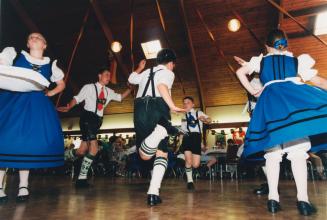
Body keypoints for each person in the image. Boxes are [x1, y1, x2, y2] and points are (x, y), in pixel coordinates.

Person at [235, 29, 327, 216]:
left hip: (270, 106)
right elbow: (320, 82)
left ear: (267, 46)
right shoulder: (296, 61)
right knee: (298, 154)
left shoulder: (260, 61)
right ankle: (303, 201)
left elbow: (240, 72)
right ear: (286, 44)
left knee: (272, 154)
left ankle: (273, 199)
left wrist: (253, 92)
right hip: (293, 105)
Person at [0, 33, 65, 203]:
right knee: (4, 140)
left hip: (37, 105)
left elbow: (61, 84)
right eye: (30, 37)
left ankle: (23, 185)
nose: (34, 37)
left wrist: (50, 93)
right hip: (13, 101)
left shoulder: (51, 65)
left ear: (44, 45)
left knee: (28, 143)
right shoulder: (15, 55)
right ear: (28, 43)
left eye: (38, 37)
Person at [128, 49, 185, 206]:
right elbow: (161, 86)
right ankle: (153, 192)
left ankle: (153, 194)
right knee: (160, 153)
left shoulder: (146, 71)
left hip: (139, 109)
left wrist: (139, 67)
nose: (173, 67)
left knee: (147, 154)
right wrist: (172, 106)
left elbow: (131, 78)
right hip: (157, 108)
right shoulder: (168, 72)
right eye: (173, 64)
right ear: (170, 62)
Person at [58, 68, 132, 187]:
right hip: (88, 118)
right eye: (106, 74)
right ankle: (81, 180)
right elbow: (77, 98)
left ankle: (63, 155)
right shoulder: (89, 87)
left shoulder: (108, 91)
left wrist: (130, 88)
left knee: (81, 151)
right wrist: (69, 107)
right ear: (99, 76)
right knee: (94, 149)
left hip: (97, 121)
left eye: (109, 75)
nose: (109, 77)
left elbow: (121, 97)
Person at [180, 96, 211, 190]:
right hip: (187, 137)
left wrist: (204, 119)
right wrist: (180, 139)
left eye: (188, 102)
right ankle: (190, 181)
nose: (185, 104)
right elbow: (183, 130)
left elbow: (209, 120)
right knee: (188, 161)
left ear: (193, 104)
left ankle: (185, 160)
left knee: (196, 164)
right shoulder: (183, 116)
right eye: (184, 103)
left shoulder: (199, 112)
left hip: (196, 138)